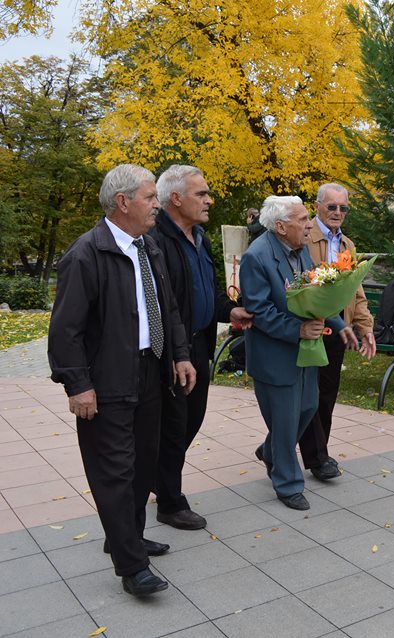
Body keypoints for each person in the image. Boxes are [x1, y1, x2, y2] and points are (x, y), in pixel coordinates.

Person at [48, 164, 197, 597]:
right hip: (106, 379)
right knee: (114, 472)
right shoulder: (86, 254)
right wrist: (77, 384)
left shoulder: (147, 246)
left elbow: (167, 308)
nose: (157, 205)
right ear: (123, 202)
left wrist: (181, 355)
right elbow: (65, 331)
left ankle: (125, 537)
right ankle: (132, 567)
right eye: (150, 197)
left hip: (150, 371)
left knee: (141, 466)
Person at [150, 165, 254, 530]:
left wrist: (231, 310)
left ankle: (158, 477)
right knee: (174, 427)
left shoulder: (201, 238)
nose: (209, 200)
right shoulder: (156, 240)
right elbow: (163, 304)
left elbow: (206, 291)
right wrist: (177, 354)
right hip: (173, 354)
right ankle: (170, 502)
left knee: (192, 420)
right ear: (176, 198)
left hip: (200, 347)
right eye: (202, 194)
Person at [239, 196, 357, 510]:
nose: (308, 225)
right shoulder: (257, 257)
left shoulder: (300, 250)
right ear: (280, 226)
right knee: (287, 420)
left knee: (307, 409)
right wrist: (298, 330)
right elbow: (259, 311)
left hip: (305, 352)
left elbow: (314, 291)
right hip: (275, 356)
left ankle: (271, 449)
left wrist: (337, 322)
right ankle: (288, 483)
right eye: (302, 219)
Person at [299, 184, 376, 481]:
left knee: (327, 395)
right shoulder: (305, 238)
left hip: (337, 328)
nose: (338, 213)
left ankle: (278, 450)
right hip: (309, 326)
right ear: (317, 206)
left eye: (343, 208)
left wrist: (365, 326)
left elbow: (355, 291)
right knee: (308, 395)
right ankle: (318, 459)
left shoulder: (348, 245)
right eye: (332, 207)